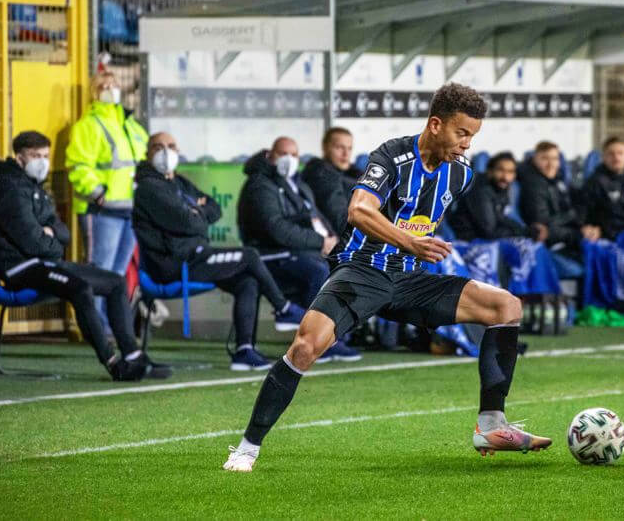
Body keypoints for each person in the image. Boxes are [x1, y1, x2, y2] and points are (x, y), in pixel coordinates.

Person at [223, 83, 552, 473]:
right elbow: (359, 211)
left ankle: (492, 424)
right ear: (435, 124)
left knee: (506, 305)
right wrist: (411, 242)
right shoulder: (392, 157)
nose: (467, 144)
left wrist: (423, 248)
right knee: (305, 347)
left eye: (472, 136)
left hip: (410, 280)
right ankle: (247, 448)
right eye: (461, 133)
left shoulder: (461, 173)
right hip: (363, 272)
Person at [0, 131, 156, 382]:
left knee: (115, 282)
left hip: (46, 262)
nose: (42, 161)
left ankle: (132, 356)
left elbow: (62, 231)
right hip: (20, 268)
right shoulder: (9, 191)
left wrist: (51, 236)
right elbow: (33, 242)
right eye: (35, 156)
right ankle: (112, 363)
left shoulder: (36, 189)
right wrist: (52, 239)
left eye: (45, 155)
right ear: (19, 158)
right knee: (80, 287)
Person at [133, 132, 307, 371]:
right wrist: (194, 210)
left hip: (197, 256)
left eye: (171, 146)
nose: (166, 152)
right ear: (147, 153)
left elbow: (214, 209)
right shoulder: (148, 188)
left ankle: (244, 351)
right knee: (249, 256)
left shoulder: (179, 183)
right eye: (158, 147)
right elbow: (189, 223)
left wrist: (195, 211)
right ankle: (283, 308)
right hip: (175, 264)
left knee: (247, 280)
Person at [238, 136, 362, 363]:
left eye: (294, 155)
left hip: (298, 251)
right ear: (270, 155)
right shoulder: (260, 185)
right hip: (268, 253)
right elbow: (276, 229)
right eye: (283, 154)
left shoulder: (298, 184)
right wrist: (318, 242)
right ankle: (315, 343)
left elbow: (316, 217)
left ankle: (330, 339)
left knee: (342, 265)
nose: (289, 160)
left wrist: (331, 241)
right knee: (319, 270)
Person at [66, 58, 148, 334]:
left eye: (113, 84)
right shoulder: (88, 125)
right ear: (94, 91)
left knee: (117, 274)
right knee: (99, 271)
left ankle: (112, 327)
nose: (110, 88)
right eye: (104, 84)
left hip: (128, 210)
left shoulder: (129, 125)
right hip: (101, 210)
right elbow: (79, 166)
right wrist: (97, 193)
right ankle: (96, 328)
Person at [517, 141, 587, 278]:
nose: (551, 164)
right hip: (551, 243)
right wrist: (574, 220)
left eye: (555, 159)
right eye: (544, 159)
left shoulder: (558, 180)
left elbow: (582, 202)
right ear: (534, 159)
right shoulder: (533, 184)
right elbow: (543, 224)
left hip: (564, 237)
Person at [450, 152, 528, 241]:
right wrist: (521, 233)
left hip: (485, 238)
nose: (505, 177)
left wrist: (524, 230)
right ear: (490, 171)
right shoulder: (481, 191)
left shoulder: (501, 188)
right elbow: (489, 232)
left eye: (510, 172)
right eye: (500, 170)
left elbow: (500, 218)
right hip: (469, 241)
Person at [301, 127, 363, 236]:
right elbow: (340, 220)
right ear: (325, 147)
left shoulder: (354, 173)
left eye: (349, 148)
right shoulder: (320, 174)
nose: (346, 154)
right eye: (339, 147)